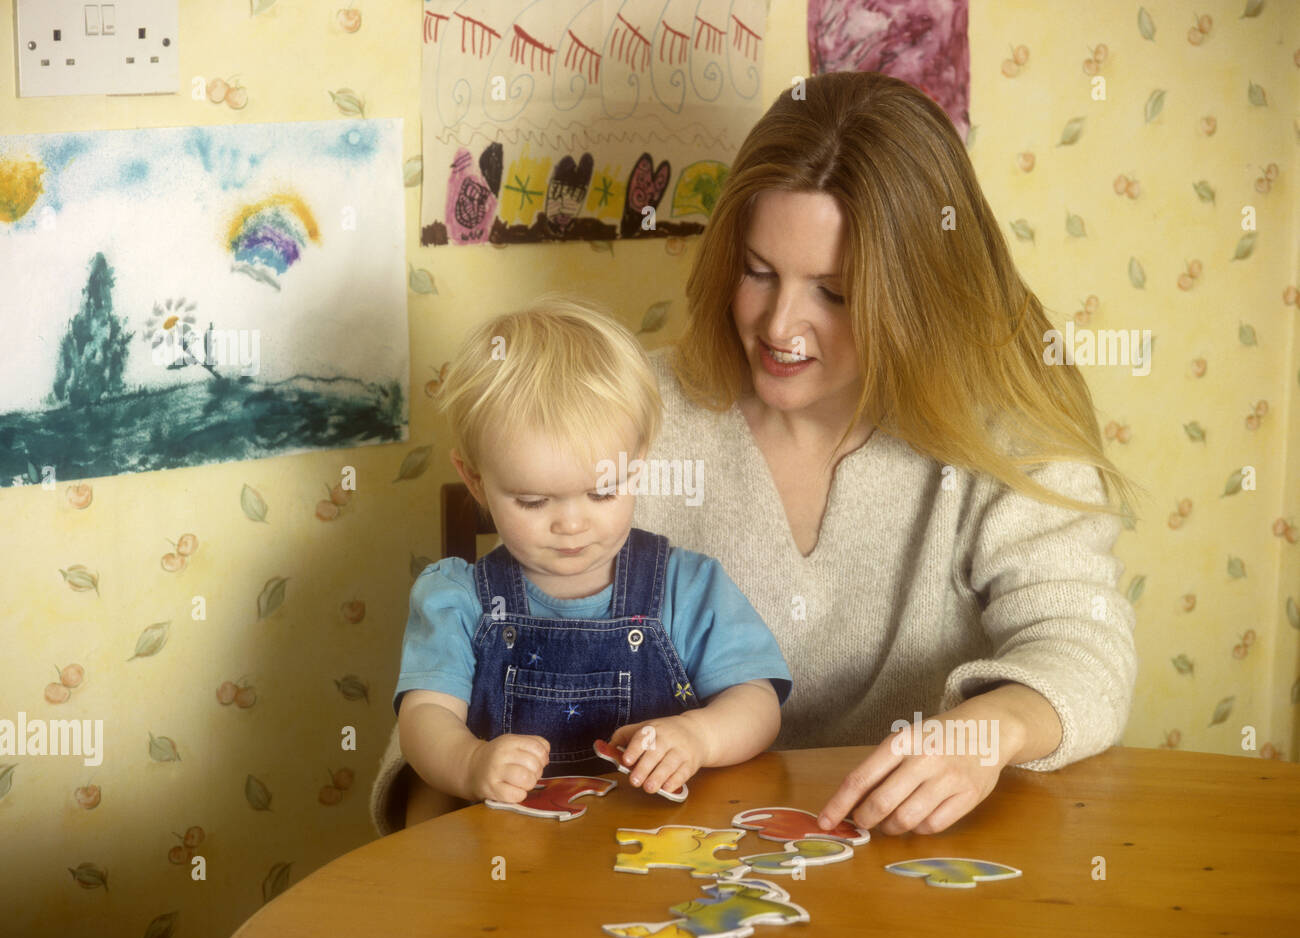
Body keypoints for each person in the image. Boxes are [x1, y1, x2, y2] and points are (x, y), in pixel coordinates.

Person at [629, 71, 1142, 837]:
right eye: (758, 273)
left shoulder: (1003, 424)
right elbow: (499, 636)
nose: (780, 327)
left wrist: (987, 731)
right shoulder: (633, 405)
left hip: (918, 864)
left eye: (834, 293)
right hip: (679, 859)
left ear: (917, 294)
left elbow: (1084, 643)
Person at [367, 295, 791, 834]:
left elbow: (758, 701)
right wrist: (470, 763)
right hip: (513, 866)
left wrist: (699, 736)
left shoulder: (689, 586)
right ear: (475, 480)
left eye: (602, 491)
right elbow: (424, 719)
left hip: (661, 853)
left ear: (637, 469)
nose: (572, 524)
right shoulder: (457, 599)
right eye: (534, 501)